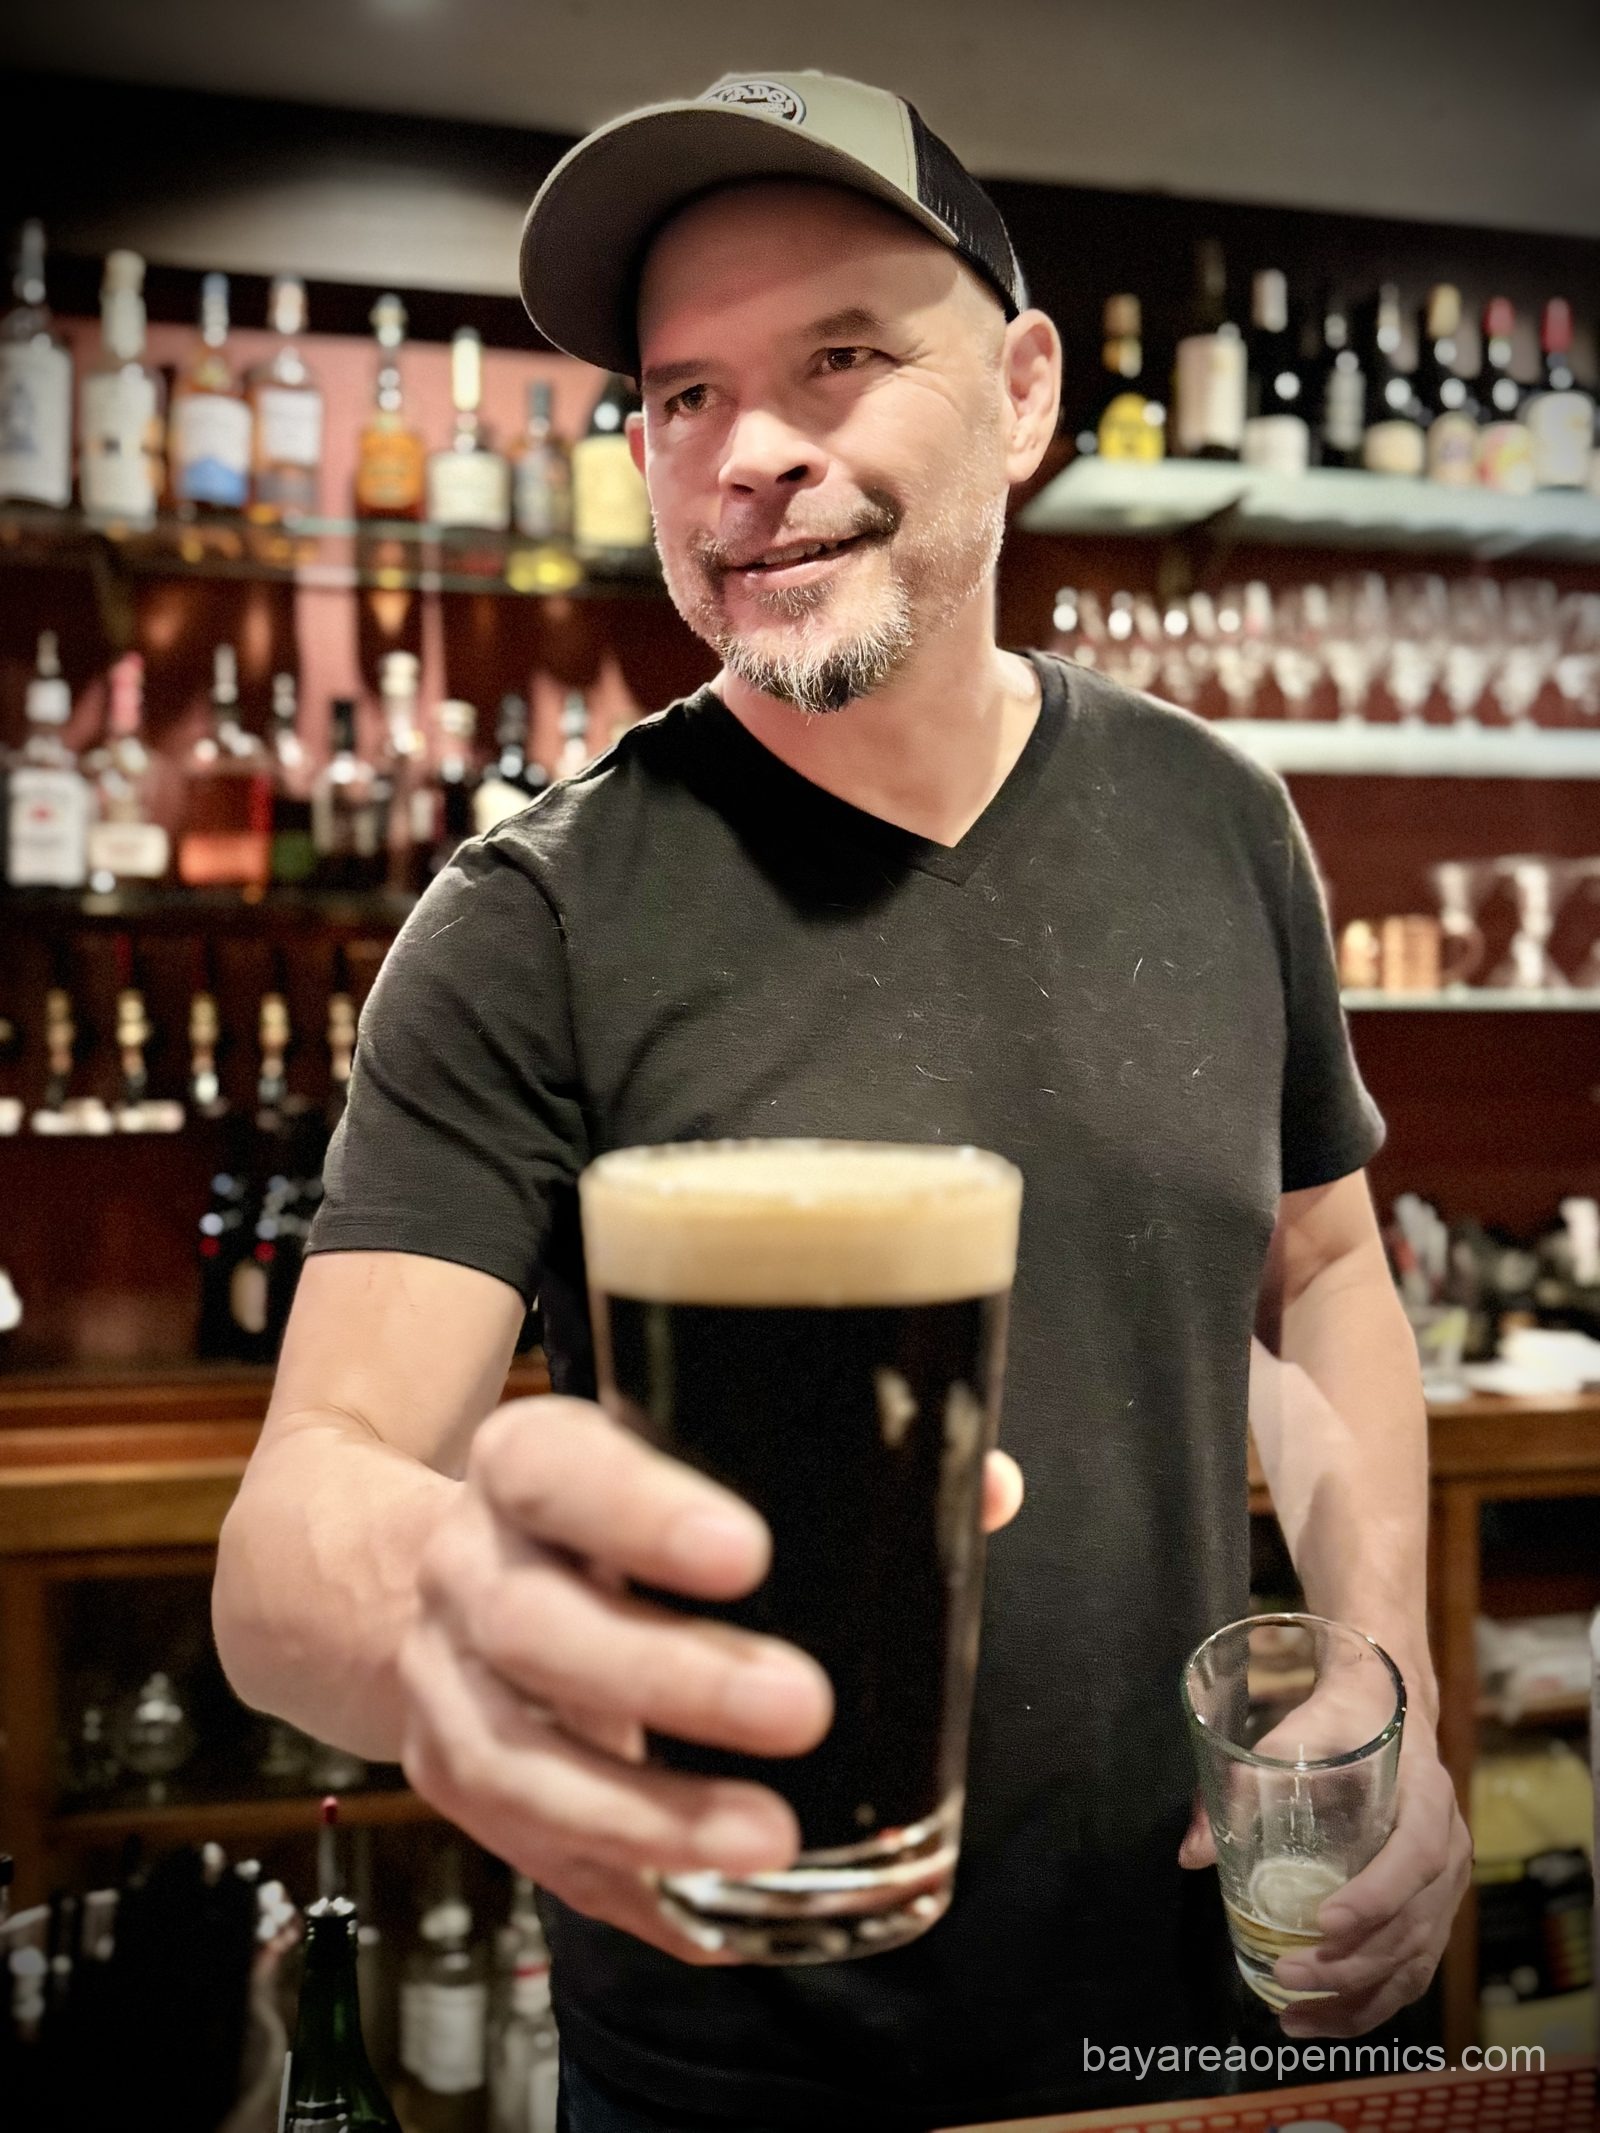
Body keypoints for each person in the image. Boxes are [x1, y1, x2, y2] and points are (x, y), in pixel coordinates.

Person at [213, 69, 1471, 2133]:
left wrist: (1379, 1679)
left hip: (1204, 2019)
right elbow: (300, 1515)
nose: (748, 458)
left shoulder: (1216, 817)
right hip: (743, 2060)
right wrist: (443, 1613)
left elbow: (1318, 1273)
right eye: (679, 396)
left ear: (1026, 392)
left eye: (839, 359)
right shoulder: (529, 913)